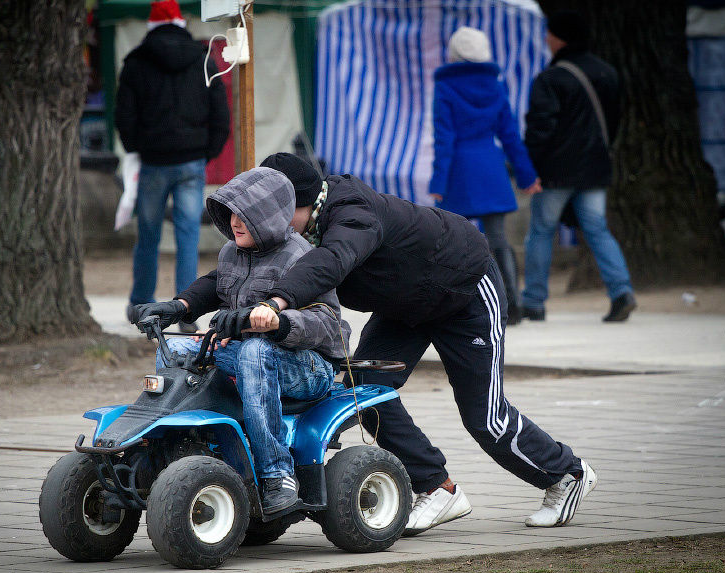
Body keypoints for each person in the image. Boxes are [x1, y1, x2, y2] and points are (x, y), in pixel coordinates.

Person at [175, 152, 597, 533]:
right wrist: (183, 304)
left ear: (298, 205)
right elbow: (226, 277)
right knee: (361, 396)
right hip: (405, 308)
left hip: (464, 290)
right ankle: (438, 487)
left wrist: (276, 302)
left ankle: (566, 474)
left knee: (483, 416)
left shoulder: (353, 213)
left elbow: (331, 260)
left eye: (278, 212)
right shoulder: (290, 231)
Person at [130, 167, 351, 514]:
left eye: (245, 214)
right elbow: (214, 285)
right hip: (253, 353)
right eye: (230, 212)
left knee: (255, 350)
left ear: (270, 216)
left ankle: (277, 474)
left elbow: (329, 325)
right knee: (176, 348)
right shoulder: (233, 252)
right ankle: (176, 450)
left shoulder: (302, 257)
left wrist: (276, 323)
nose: (235, 221)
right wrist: (178, 307)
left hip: (309, 366)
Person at [115, 0, 230, 329]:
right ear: (181, 22)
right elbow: (220, 116)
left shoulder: (136, 62)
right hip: (191, 161)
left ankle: (140, 304)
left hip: (153, 162)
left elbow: (124, 116)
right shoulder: (203, 59)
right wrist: (205, 152)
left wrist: (136, 148)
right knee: (188, 235)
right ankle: (185, 311)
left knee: (148, 235)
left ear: (151, 25)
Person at [521, 10, 636, 323]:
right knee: (598, 230)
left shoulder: (551, 78)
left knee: (541, 232)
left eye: (550, 34)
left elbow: (540, 128)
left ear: (560, 39)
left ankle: (533, 301)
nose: (546, 39)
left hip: (557, 171)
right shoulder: (608, 73)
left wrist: (530, 168)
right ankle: (622, 292)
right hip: (595, 169)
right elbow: (613, 123)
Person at [429, 26, 542, 325]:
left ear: (454, 54)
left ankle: (458, 306)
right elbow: (510, 136)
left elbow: (444, 139)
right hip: (490, 167)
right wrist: (527, 176)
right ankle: (512, 305)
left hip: (459, 172)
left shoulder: (445, 87)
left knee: (457, 242)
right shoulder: (495, 85)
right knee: (499, 240)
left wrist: (438, 181)